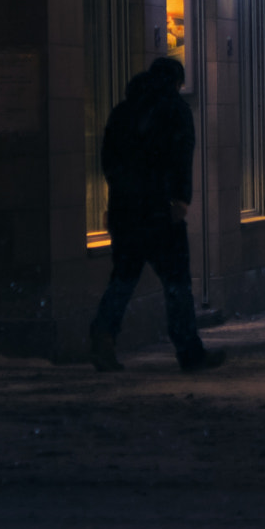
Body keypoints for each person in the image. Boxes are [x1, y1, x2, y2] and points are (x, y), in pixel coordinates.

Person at [88, 57, 225, 373]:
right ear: (175, 82)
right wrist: (180, 198)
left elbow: (109, 160)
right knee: (176, 284)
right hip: (160, 210)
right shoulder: (175, 111)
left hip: (127, 210)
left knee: (122, 278)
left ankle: (103, 335)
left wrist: (121, 196)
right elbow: (181, 156)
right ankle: (189, 351)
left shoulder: (123, 112)